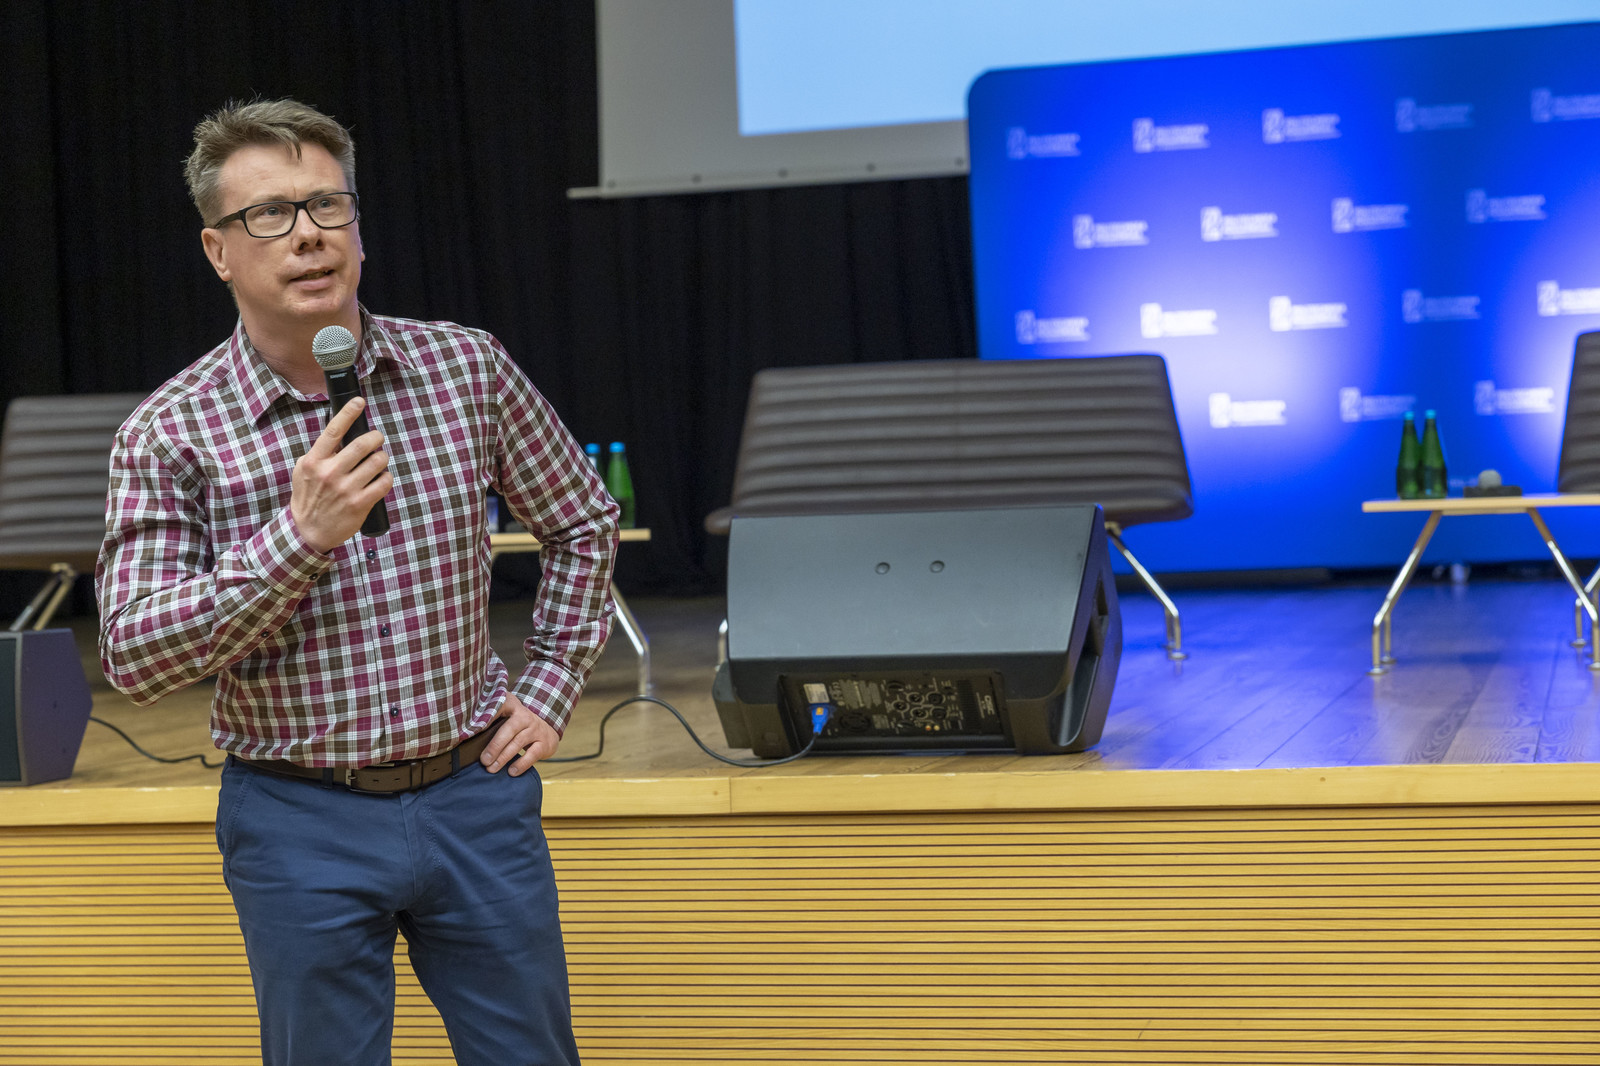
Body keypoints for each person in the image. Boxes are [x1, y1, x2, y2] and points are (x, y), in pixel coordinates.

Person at [95, 97, 617, 1065]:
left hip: (474, 794)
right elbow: (134, 652)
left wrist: (549, 687)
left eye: (327, 205)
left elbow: (582, 519)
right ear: (218, 251)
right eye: (269, 214)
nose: (308, 235)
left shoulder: (464, 368)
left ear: (358, 227)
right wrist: (299, 538)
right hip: (297, 816)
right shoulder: (169, 431)